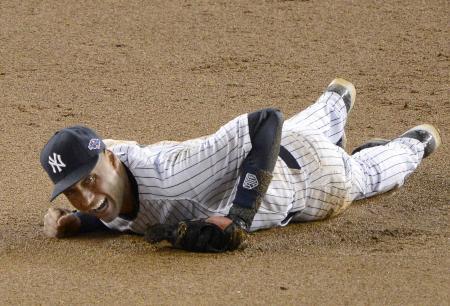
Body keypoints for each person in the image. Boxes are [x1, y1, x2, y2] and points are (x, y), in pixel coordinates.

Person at [40, 78, 441, 252]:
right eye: (72, 189)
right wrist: (79, 221)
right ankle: (333, 105)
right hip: (279, 148)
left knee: (360, 176)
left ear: (110, 158)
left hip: (309, 179)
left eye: (89, 180)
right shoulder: (113, 172)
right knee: (302, 127)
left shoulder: (177, 173)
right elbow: (116, 207)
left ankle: (412, 145)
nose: (86, 197)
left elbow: (267, 120)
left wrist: (240, 216)